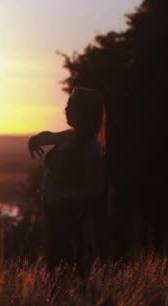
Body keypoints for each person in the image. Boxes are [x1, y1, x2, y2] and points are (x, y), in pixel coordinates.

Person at [28, 87, 107, 276]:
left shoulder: (89, 148)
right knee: (56, 270)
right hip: (57, 217)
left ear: (83, 112)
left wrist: (67, 203)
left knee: (65, 270)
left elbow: (94, 188)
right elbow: (46, 137)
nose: (65, 109)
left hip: (71, 221)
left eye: (70, 106)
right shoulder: (69, 137)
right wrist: (34, 140)